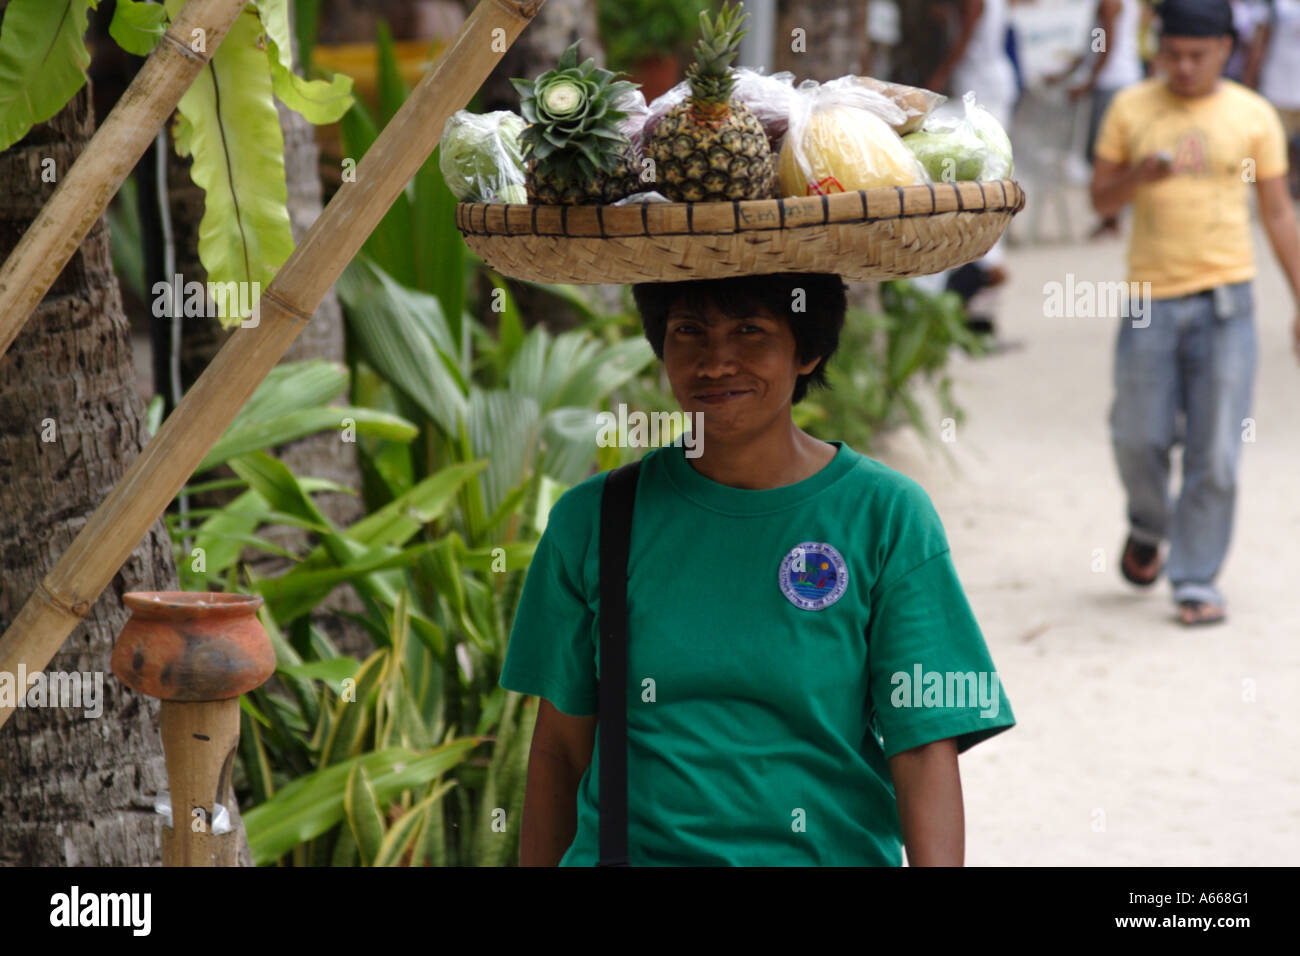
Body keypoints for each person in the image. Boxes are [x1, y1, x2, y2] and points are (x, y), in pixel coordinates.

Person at [499, 272, 1016, 866]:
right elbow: (560, 752)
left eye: (751, 331)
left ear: (809, 350)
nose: (716, 362)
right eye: (689, 331)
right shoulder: (593, 519)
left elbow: (924, 746)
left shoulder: (885, 516)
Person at [1090, 0, 1300, 626]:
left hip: (1227, 300)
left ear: (1226, 50)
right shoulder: (1131, 107)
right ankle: (1149, 527)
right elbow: (1100, 195)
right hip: (1150, 298)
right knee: (1138, 435)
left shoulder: (1253, 114)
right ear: (1157, 48)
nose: (1183, 67)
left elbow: (1279, 214)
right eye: (1172, 53)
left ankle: (1196, 579)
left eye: (1197, 56)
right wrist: (1140, 176)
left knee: (1217, 447)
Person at [1047, 0, 1145, 238]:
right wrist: (1067, 73)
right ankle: (1113, 216)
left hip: (1112, 84)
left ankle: (1111, 218)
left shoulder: (1109, 3)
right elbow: (1096, 46)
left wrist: (1089, 82)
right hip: (1121, 80)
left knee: (1104, 154)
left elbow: (1105, 45)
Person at [1244, 0, 1300, 196]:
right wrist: (1249, 81)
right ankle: (1251, 186)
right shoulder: (1274, 7)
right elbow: (1259, 44)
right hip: (1276, 90)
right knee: (1265, 147)